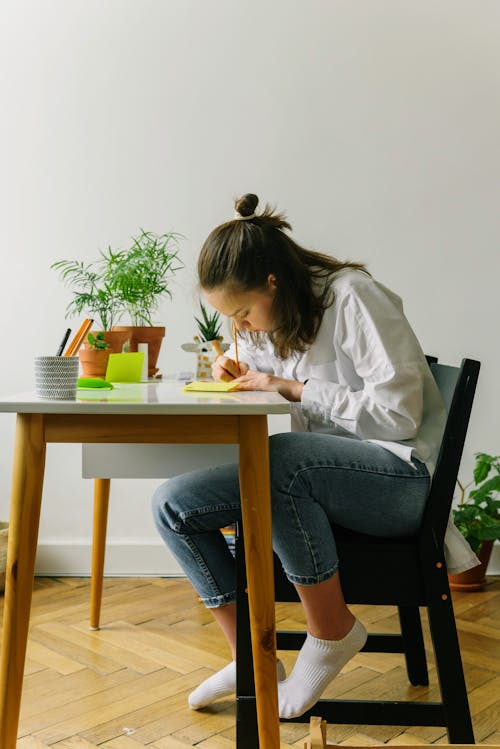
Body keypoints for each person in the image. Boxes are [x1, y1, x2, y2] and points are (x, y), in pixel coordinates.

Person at [152, 193, 462, 719]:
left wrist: (295, 389)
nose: (243, 325)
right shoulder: (280, 314)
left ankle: (332, 631)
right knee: (174, 503)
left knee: (281, 460)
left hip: (400, 481)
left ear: (272, 280)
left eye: (243, 312)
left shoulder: (355, 298)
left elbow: (401, 417)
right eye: (232, 319)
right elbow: (263, 370)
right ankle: (251, 656)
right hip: (320, 478)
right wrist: (237, 369)